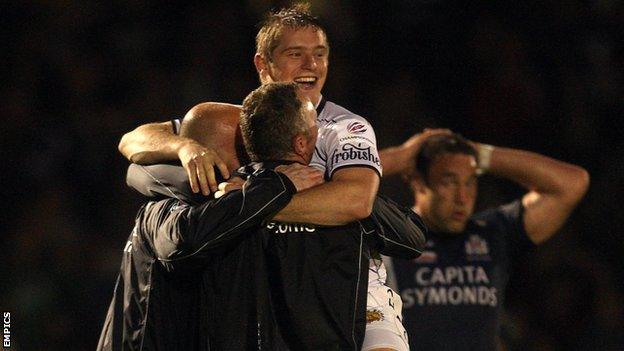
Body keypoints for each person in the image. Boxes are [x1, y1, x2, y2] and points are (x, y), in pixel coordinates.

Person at [117, 4, 411, 351]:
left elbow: (356, 200)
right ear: (263, 65)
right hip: (274, 292)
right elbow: (132, 142)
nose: (311, 66)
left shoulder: (345, 127)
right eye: (295, 54)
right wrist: (184, 148)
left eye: (320, 54)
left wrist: (251, 201)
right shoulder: (237, 121)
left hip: (354, 289)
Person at [97, 83, 324, 350]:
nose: (253, 155)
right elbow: (185, 242)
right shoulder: (165, 207)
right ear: (210, 152)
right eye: (242, 147)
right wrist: (276, 186)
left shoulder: (213, 205)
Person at [382, 131, 589, 350]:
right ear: (418, 182)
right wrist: (402, 156)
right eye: (449, 182)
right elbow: (343, 184)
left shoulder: (492, 233)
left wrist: (481, 154)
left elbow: (572, 183)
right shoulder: (387, 236)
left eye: (470, 182)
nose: (462, 198)